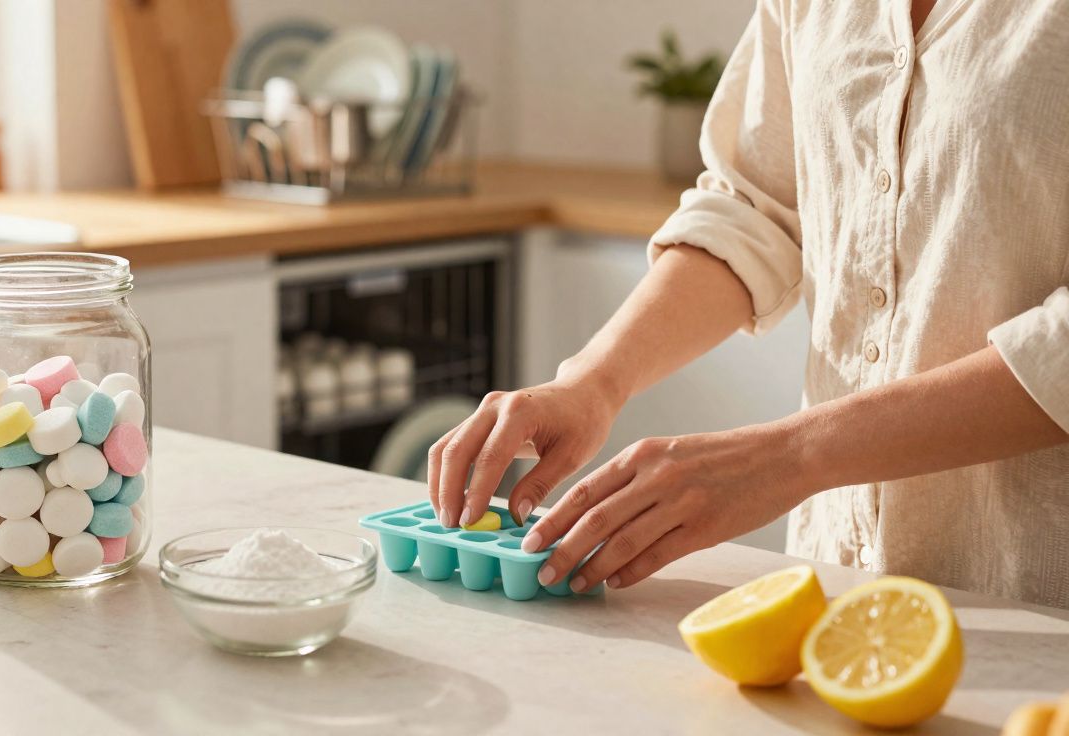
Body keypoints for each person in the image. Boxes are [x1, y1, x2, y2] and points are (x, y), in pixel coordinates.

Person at [429, 0, 1069, 608]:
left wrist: (791, 457)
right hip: (836, 579)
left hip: (1036, 602)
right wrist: (595, 380)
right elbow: (757, 207)